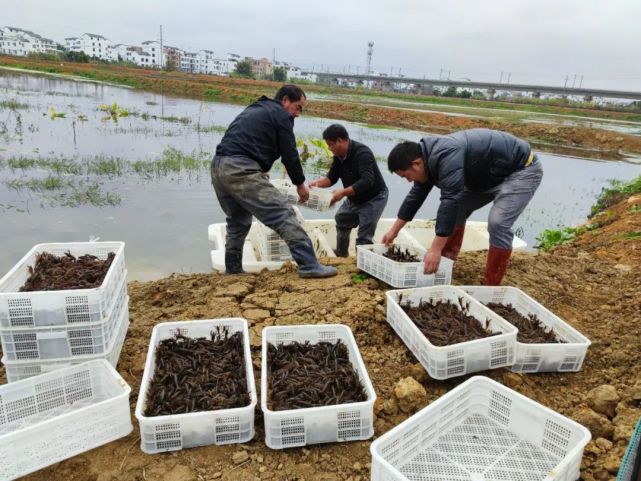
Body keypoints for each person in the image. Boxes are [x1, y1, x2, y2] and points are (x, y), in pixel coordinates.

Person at [382, 128, 543, 285]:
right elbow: (415, 197)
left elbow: (450, 200)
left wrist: (434, 249)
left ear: (416, 163)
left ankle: (491, 285)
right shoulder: (426, 161)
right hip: (488, 174)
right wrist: (393, 231)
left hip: (521, 170)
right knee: (458, 208)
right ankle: (445, 264)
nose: (409, 180)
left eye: (407, 176)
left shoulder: (446, 154)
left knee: (498, 223)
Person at [211, 84, 337, 278]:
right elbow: (289, 154)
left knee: (238, 221)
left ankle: (233, 270)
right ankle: (309, 265)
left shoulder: (258, 108)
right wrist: (300, 185)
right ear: (285, 100)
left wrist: (257, 169)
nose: (298, 114)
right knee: (283, 213)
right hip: (239, 169)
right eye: (298, 107)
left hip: (220, 168)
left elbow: (247, 140)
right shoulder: (280, 115)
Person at [308, 124, 388, 256]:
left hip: (374, 198)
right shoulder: (339, 157)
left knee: (364, 236)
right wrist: (317, 184)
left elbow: (367, 181)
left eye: (330, 144)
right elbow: (331, 178)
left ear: (340, 141)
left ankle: (362, 264)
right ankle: (341, 254)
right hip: (355, 197)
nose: (329, 148)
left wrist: (343, 193)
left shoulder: (362, 153)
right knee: (342, 219)